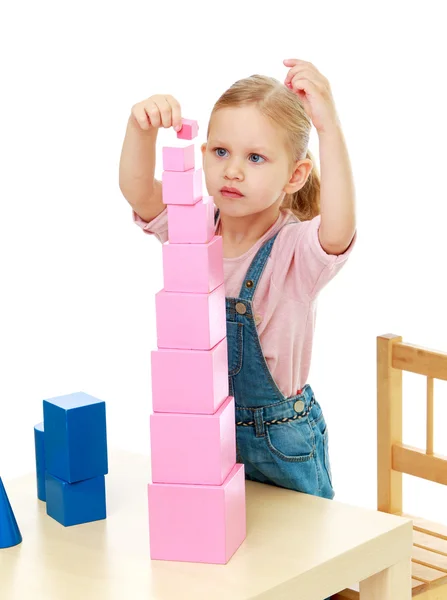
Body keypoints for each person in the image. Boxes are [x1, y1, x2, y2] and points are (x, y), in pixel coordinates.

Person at [119, 58, 356, 508]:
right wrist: (141, 127)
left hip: (280, 441)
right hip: (207, 433)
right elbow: (138, 190)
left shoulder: (295, 251)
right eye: (222, 152)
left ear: (295, 176)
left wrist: (329, 128)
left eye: (255, 158)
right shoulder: (192, 226)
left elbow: (339, 226)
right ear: (204, 154)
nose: (232, 171)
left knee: (304, 560)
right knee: (227, 562)